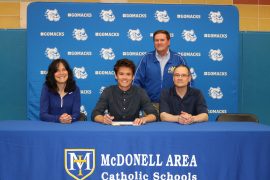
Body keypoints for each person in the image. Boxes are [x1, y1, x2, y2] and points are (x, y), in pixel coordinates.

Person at [91, 58, 157, 125]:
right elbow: (95, 114)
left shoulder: (140, 92)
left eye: (128, 74)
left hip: (134, 130)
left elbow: (154, 114)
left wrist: (143, 119)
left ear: (133, 77)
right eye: (121, 74)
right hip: (113, 130)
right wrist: (103, 119)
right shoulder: (108, 91)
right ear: (116, 76)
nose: (124, 77)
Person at [134, 30, 186, 111]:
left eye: (162, 40)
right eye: (156, 40)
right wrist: (142, 101)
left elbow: (188, 82)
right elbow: (136, 82)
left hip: (173, 105)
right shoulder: (146, 59)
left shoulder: (178, 59)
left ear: (168, 42)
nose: (159, 43)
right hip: (150, 105)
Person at [40, 58, 81, 123]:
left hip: (70, 127)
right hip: (51, 128)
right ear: (52, 74)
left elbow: (76, 114)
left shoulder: (75, 89)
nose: (61, 73)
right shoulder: (46, 88)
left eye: (64, 69)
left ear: (68, 72)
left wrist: (70, 118)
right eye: (57, 70)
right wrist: (59, 119)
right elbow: (43, 115)